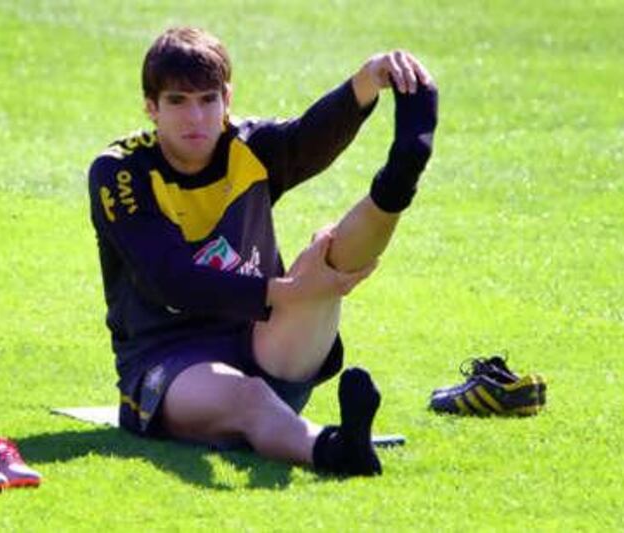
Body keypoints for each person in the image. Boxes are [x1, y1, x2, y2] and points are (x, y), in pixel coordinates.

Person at [88, 27, 437, 477]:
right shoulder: (120, 171)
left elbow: (309, 137)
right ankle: (335, 450)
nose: (195, 117)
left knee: (329, 247)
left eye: (208, 99)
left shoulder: (247, 147)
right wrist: (290, 292)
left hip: (266, 345)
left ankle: (400, 178)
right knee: (249, 397)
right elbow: (169, 278)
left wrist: (369, 79)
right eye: (177, 101)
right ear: (151, 107)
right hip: (167, 365)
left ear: (226, 99)